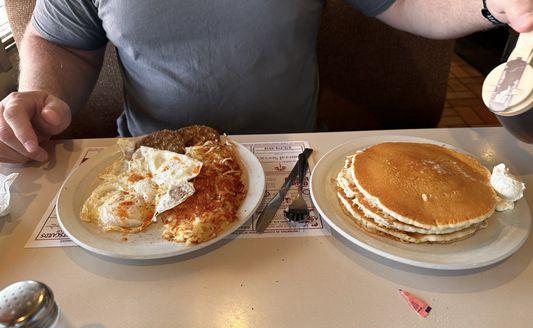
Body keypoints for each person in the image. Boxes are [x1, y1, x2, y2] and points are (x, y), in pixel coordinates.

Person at [0, 0, 531, 163]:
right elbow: (62, 38)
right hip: (150, 166)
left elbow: (408, 5)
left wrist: (492, 2)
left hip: (291, 159)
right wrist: (40, 97)